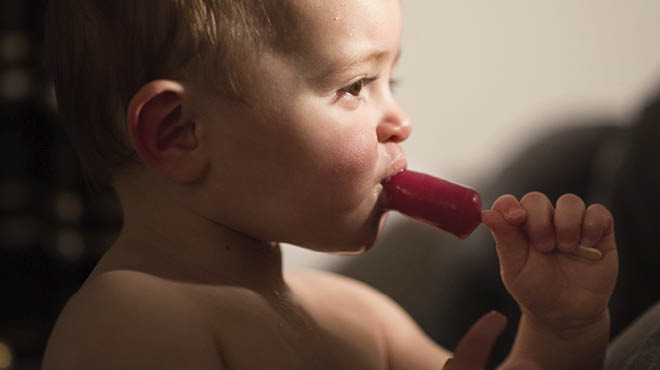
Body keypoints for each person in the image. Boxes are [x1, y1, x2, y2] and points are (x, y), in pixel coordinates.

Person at [41, 1, 617, 369]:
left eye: (394, 79)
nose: (401, 120)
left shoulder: (363, 319)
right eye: (355, 85)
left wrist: (559, 329)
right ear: (179, 132)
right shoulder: (132, 321)